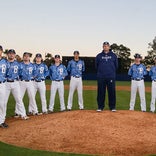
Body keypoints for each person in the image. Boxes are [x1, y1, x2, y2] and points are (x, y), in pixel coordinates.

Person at [5, 49, 29, 119]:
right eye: (10, 53)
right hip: (6, 83)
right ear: (7, 55)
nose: (11, 54)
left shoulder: (18, 64)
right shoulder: (4, 63)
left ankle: (23, 114)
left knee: (19, 99)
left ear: (15, 55)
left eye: (13, 53)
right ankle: (2, 117)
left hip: (15, 83)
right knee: (3, 101)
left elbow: (21, 73)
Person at [95, 41, 118, 112]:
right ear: (103, 47)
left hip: (111, 76)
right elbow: (96, 66)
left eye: (107, 46)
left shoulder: (113, 55)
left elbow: (116, 66)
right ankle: (100, 107)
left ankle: (112, 107)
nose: (105, 47)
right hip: (101, 76)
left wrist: (111, 73)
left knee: (112, 92)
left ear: (109, 47)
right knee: (101, 92)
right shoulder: (99, 56)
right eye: (104, 46)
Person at [0, 46, 8, 128]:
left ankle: (2, 121)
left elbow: (8, 72)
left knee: (2, 103)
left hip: (2, 84)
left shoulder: (5, 62)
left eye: (0, 50)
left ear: (2, 51)